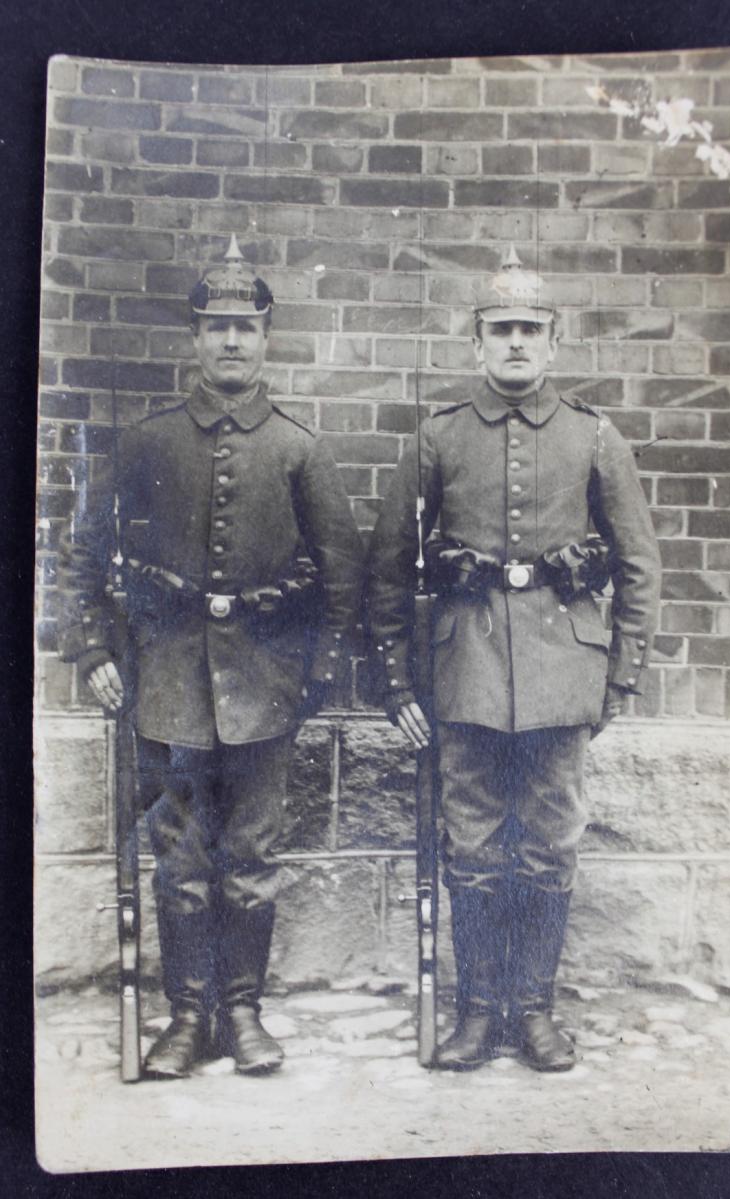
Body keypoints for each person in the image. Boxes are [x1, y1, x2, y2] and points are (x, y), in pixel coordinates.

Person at [57, 236, 364, 1080]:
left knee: (254, 859)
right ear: (195, 338)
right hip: (166, 686)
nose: (232, 342)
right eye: (217, 326)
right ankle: (188, 1016)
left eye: (247, 327)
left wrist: (317, 670)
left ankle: (243, 1009)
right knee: (184, 859)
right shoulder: (146, 443)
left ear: (268, 338)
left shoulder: (299, 449)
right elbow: (82, 558)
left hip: (265, 688)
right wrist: (91, 650)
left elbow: (343, 572)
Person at [366, 247, 661, 1072]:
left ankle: (533, 1010)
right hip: (465, 674)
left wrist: (622, 674)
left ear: (555, 342)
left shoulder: (595, 438)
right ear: (477, 344)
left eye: (532, 328)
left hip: (566, 672)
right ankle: (475, 1011)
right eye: (502, 330)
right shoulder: (437, 438)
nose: (518, 344)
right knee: (472, 841)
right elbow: (389, 566)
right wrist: (397, 683)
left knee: (548, 843)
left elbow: (640, 562)